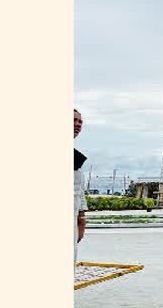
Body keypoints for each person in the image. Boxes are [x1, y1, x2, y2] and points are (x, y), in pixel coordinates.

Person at [74, 109, 88, 265]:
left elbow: (79, 192)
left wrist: (82, 221)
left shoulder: (76, 159)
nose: (77, 124)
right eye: (73, 120)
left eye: (80, 122)